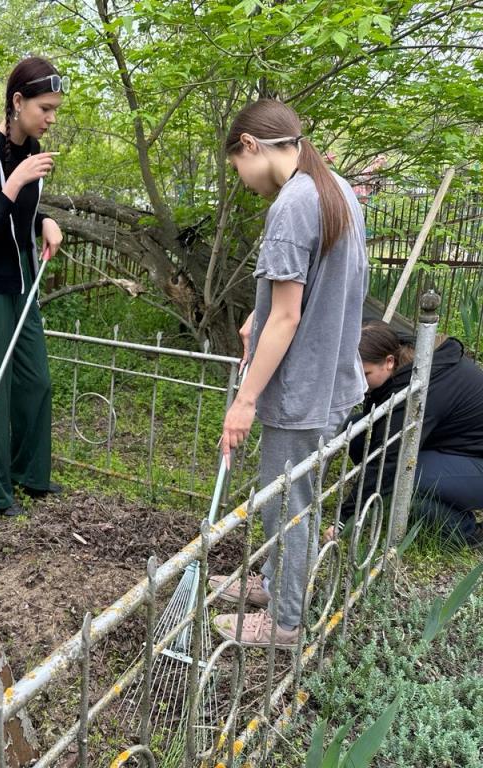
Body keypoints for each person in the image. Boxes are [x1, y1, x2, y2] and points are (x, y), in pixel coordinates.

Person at [207, 100, 369, 649]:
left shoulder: (292, 204)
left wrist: (245, 399)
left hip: (303, 385)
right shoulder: (335, 189)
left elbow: (289, 315)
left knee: (287, 503)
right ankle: (275, 583)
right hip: (333, 376)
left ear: (250, 145)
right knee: (293, 496)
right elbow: (310, 289)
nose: (244, 183)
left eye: (237, 169)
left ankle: (283, 623)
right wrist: (261, 311)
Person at [0, 56, 66, 517]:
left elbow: (19, 214)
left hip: (23, 274)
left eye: (55, 109)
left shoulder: (28, 150)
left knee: (35, 381)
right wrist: (15, 183)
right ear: (17, 102)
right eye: (45, 108)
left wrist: (45, 221)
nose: (51, 118)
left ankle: (30, 474)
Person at [326, 321, 483, 547]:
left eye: (365, 374)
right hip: (454, 448)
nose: (357, 383)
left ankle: (467, 533)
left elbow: (388, 460)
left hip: (476, 463)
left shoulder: (419, 389)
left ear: (389, 362)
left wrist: (344, 519)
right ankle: (387, 497)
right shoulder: (405, 363)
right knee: (357, 429)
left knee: (405, 477)